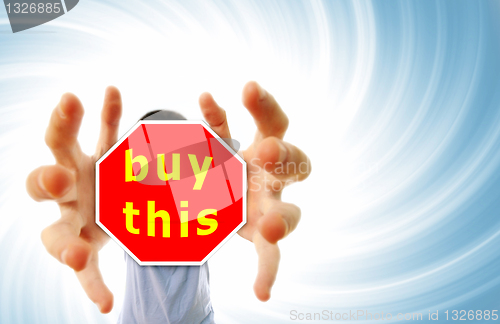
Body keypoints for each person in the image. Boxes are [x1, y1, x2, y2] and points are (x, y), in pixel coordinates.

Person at [25, 81, 311, 323]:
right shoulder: (125, 203)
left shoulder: (203, 197)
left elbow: (232, 188)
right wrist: (101, 190)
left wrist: (241, 182)